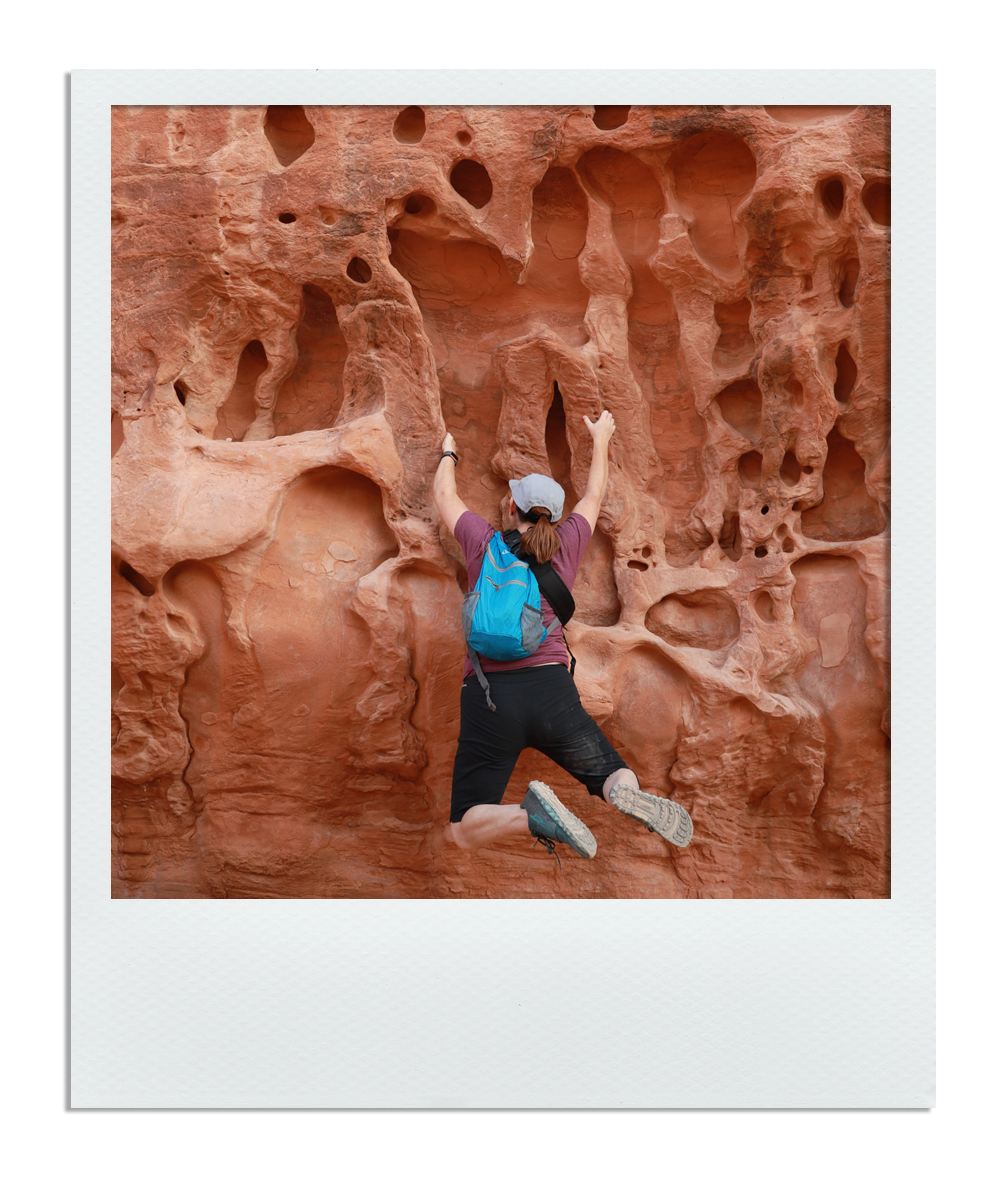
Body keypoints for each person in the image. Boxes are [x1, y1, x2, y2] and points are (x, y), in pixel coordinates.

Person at [433, 410, 693, 862]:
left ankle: (528, 815)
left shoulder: (483, 543)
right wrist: (601, 440)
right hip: (551, 689)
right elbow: (594, 495)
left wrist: (449, 452)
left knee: (464, 826)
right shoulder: (566, 544)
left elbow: (443, 496)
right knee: (610, 772)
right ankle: (625, 792)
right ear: (554, 518)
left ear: (510, 507)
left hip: (489, 695)